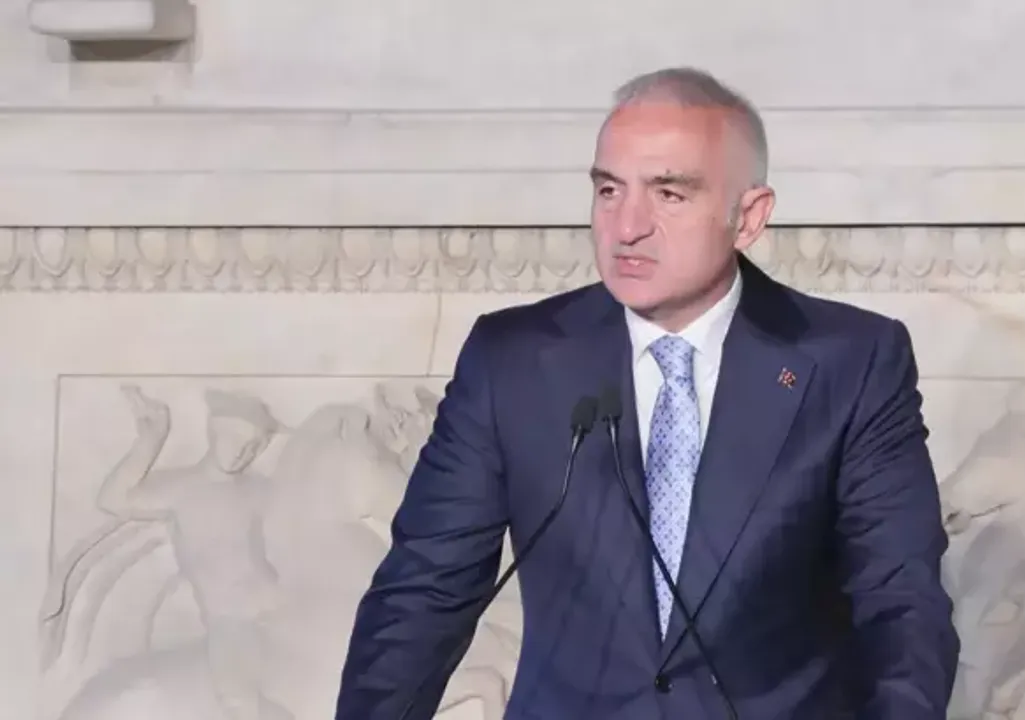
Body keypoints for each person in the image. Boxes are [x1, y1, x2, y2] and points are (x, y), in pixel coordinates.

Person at [336, 67, 959, 719]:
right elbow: (422, 596)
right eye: (609, 190)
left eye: (669, 194)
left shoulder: (851, 362)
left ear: (748, 217)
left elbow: (902, 607)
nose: (627, 226)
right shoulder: (512, 361)